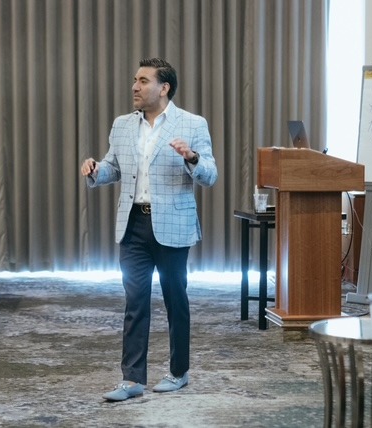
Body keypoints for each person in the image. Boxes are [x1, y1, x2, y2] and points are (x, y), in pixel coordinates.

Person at [80, 58, 218, 401]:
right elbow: (113, 167)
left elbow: (210, 175)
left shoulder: (192, 124)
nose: (135, 87)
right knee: (135, 302)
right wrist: (96, 170)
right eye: (135, 80)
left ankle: (179, 372)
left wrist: (191, 157)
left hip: (173, 224)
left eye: (143, 81)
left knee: (175, 300)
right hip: (133, 225)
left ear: (164, 87)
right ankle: (132, 380)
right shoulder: (123, 125)